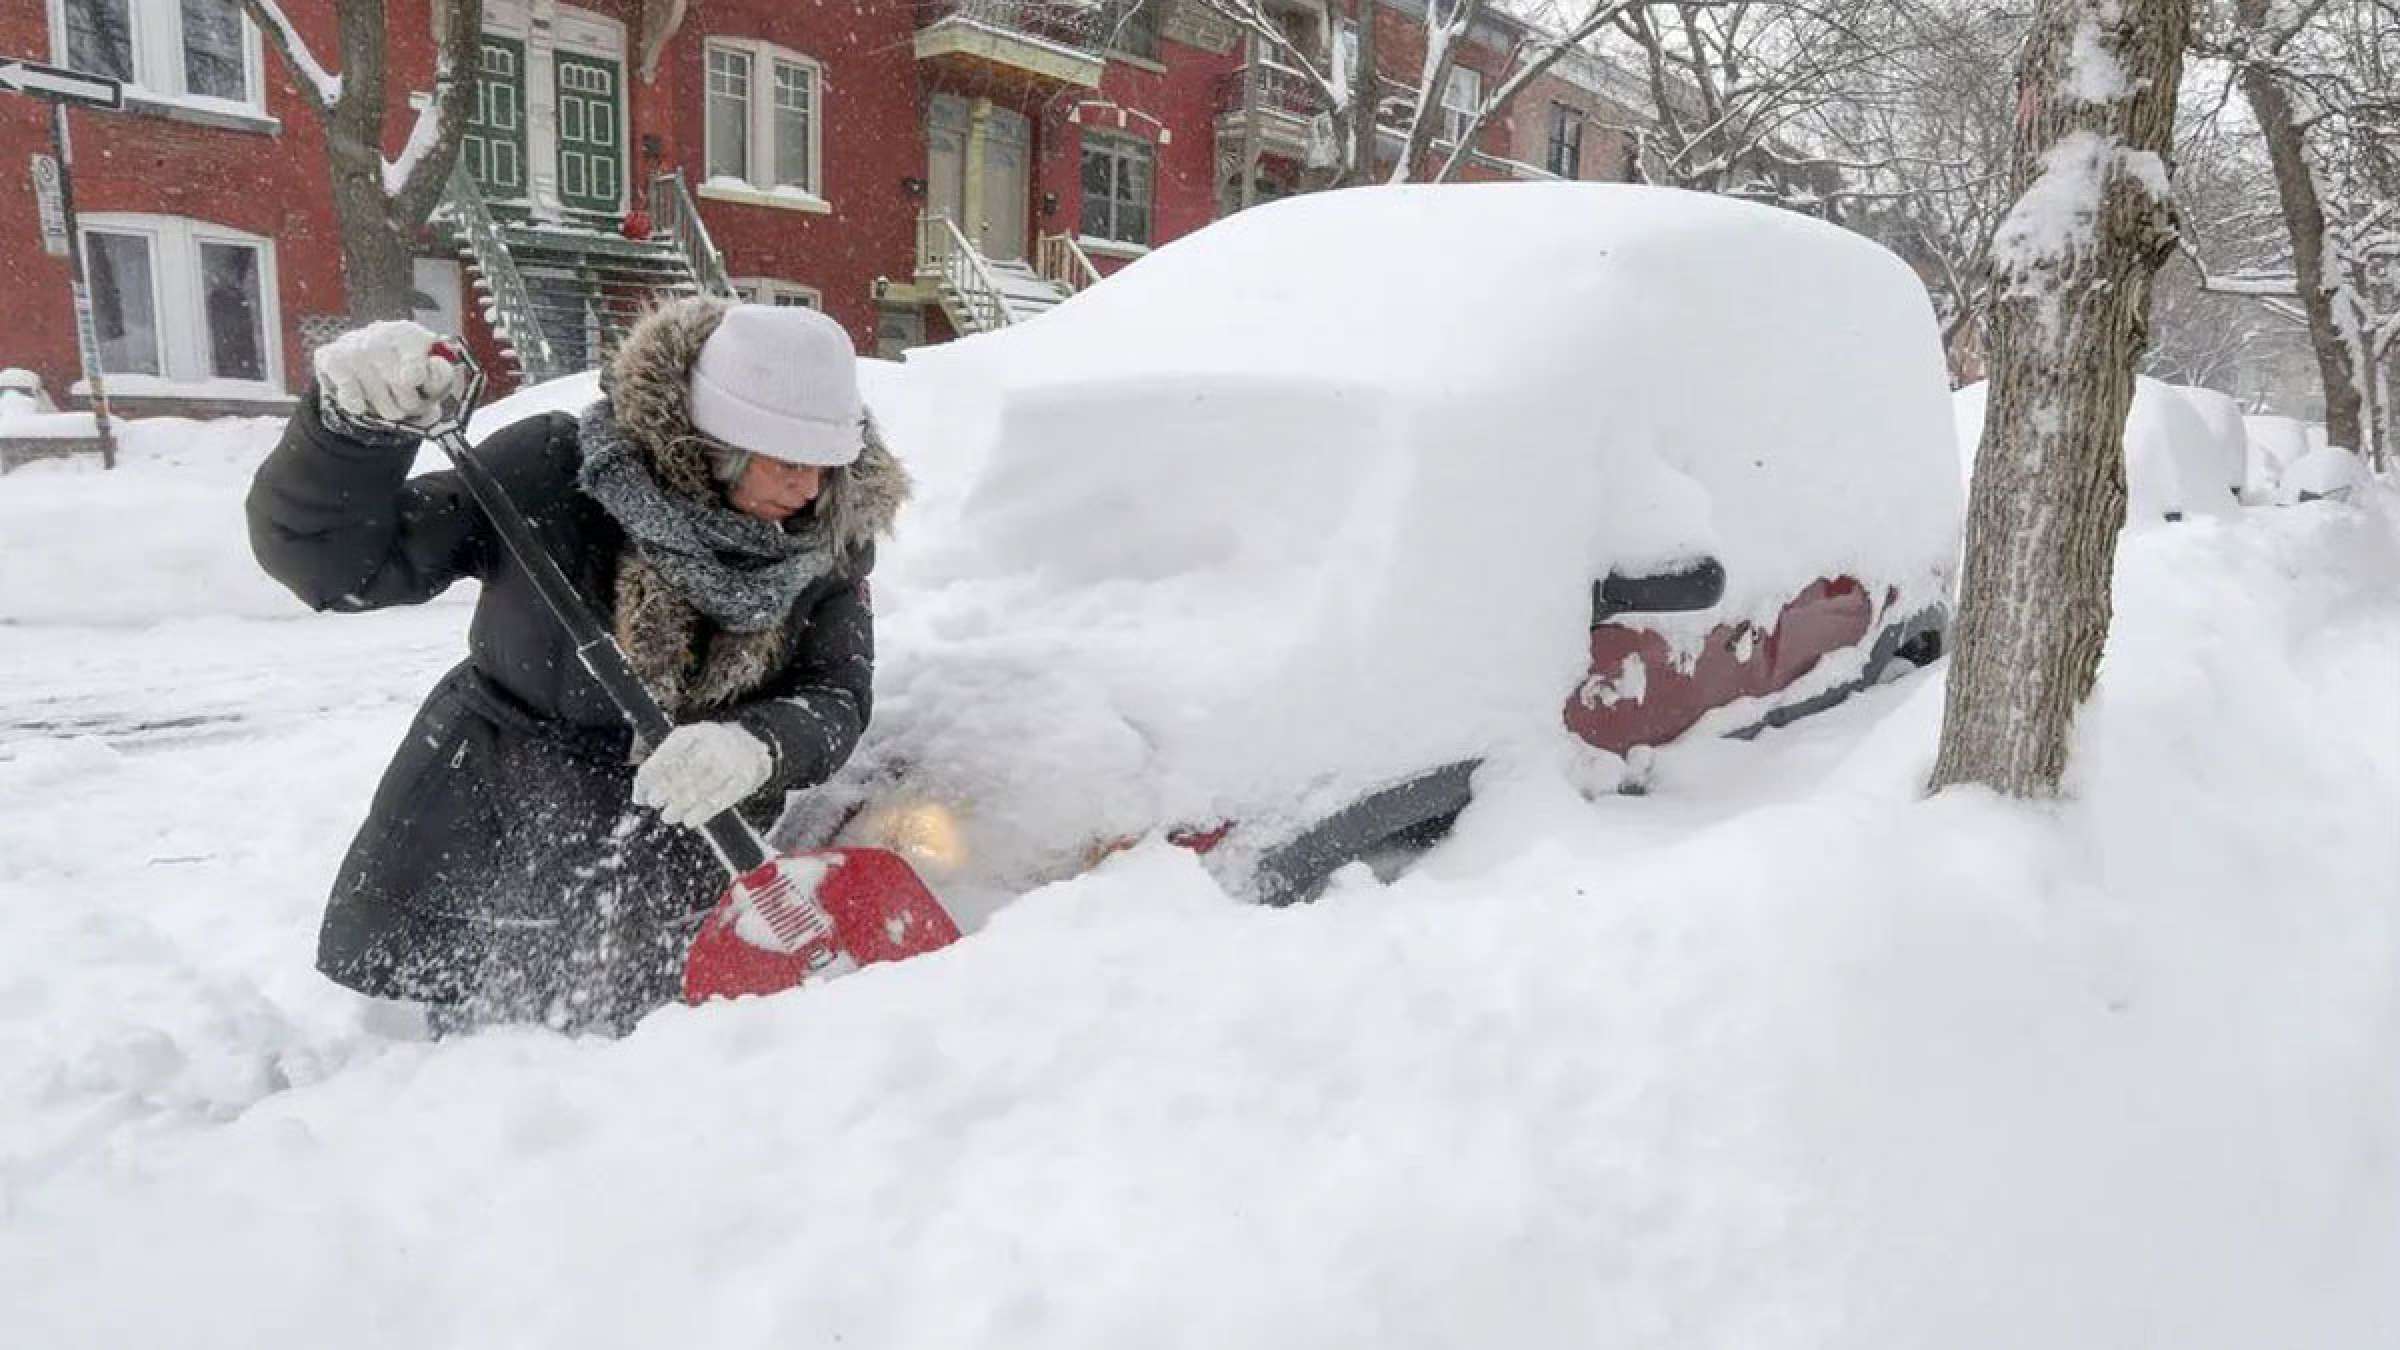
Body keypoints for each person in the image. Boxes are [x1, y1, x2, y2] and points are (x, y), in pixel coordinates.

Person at [247, 300, 907, 1032]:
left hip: (683, 855)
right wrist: (347, 436)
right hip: (496, 829)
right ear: (716, 445)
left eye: (826, 465)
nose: (811, 491)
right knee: (470, 1075)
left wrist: (756, 746)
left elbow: (835, 691)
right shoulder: (552, 473)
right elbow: (341, 567)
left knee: (658, 1072)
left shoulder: (829, 540)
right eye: (789, 463)